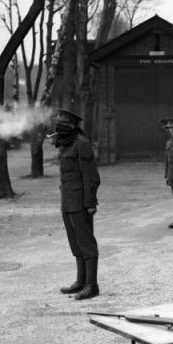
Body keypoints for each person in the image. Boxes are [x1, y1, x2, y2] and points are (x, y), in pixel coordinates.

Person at [56, 109, 101, 301]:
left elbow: (91, 177)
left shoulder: (82, 145)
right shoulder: (66, 144)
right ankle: (81, 282)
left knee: (86, 243)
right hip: (67, 201)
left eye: (62, 123)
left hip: (81, 202)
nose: (58, 126)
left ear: (72, 125)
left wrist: (90, 203)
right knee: (75, 243)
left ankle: (92, 285)